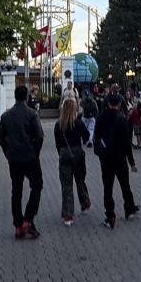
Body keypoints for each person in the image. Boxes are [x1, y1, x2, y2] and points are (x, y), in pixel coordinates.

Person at [0, 85, 44, 239]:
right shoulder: (32, 114)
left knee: (16, 190)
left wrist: (7, 152)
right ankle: (28, 219)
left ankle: (18, 224)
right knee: (36, 186)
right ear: (26, 98)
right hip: (30, 157)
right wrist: (35, 151)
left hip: (14, 159)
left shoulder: (6, 116)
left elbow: (0, 137)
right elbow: (39, 136)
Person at [93, 93, 139, 229]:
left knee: (108, 187)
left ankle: (110, 215)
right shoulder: (121, 119)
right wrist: (132, 162)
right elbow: (127, 142)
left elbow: (97, 136)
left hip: (106, 158)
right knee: (125, 184)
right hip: (120, 157)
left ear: (108, 104)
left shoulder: (100, 118)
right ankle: (129, 207)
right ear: (119, 104)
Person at [54, 97, 91, 226]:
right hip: (77, 153)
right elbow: (86, 137)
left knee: (66, 184)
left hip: (64, 153)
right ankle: (85, 202)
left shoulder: (59, 125)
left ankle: (68, 214)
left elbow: (57, 143)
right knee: (80, 180)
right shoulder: (78, 123)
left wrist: (61, 153)